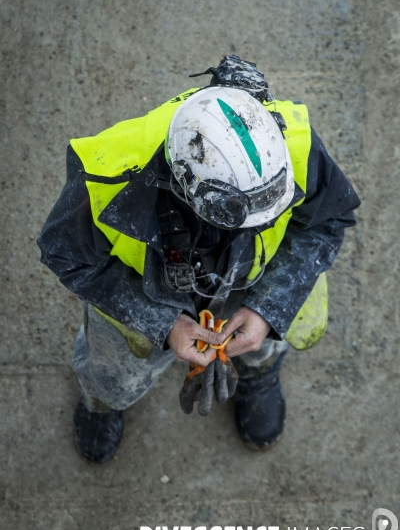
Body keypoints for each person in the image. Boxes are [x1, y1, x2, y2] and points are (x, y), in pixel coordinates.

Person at [37, 55, 360, 463]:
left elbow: (327, 219)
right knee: (114, 372)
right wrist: (162, 321)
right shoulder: (109, 174)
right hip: (146, 291)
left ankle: (259, 371)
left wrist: (267, 309)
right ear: (182, 185)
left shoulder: (289, 141)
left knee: (275, 334)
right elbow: (65, 254)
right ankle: (105, 402)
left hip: (257, 276)